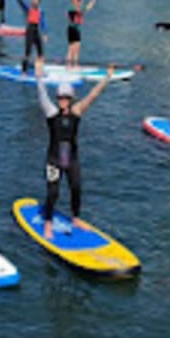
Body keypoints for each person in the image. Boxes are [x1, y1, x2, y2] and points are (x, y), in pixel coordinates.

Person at [35, 58, 113, 240]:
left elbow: (93, 96)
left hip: (71, 158)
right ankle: (48, 224)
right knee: (53, 192)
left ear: (71, 99)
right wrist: (39, 74)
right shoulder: (51, 113)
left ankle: (76, 218)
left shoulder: (77, 111)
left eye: (66, 98)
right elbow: (41, 95)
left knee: (76, 187)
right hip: (54, 158)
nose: (63, 100)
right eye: (61, 98)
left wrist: (107, 77)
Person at [17, 0, 47, 73]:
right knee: (28, 52)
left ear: (39, 2)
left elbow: (43, 22)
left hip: (37, 31)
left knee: (41, 53)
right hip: (30, 30)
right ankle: (24, 71)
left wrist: (45, 33)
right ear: (31, 1)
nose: (35, 1)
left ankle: (39, 70)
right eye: (33, 0)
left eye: (36, 0)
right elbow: (20, 1)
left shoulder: (41, 11)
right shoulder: (28, 9)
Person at [65, 0, 97, 67]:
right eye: (77, 0)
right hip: (72, 29)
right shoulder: (71, 8)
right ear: (73, 0)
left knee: (77, 49)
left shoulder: (79, 8)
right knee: (71, 49)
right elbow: (73, 14)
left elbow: (89, 6)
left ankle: (75, 65)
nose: (79, 1)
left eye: (79, 0)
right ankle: (69, 66)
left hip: (76, 29)